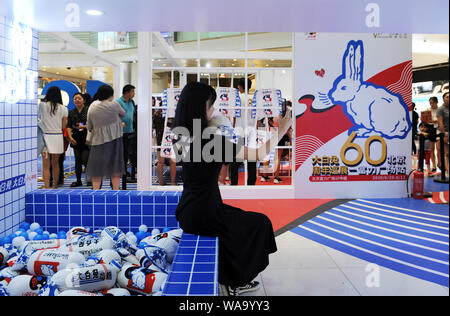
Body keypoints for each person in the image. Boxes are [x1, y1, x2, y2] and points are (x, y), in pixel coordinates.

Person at [172, 82, 292, 296]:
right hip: (205, 213)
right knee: (260, 224)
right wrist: (282, 128)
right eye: (211, 107)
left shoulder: (180, 135)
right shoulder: (211, 142)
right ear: (200, 109)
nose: (214, 111)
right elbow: (259, 154)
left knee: (236, 222)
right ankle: (235, 281)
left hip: (190, 209)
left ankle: (229, 277)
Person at [86, 85, 126, 190]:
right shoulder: (115, 105)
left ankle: (95, 192)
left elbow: (89, 127)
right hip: (115, 141)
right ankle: (116, 192)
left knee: (97, 169)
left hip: (97, 142)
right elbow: (123, 114)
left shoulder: (92, 109)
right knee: (115, 167)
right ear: (111, 95)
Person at [38, 86, 68, 189]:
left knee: (45, 165)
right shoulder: (64, 109)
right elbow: (63, 126)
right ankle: (55, 186)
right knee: (56, 164)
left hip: (45, 137)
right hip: (57, 138)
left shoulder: (42, 105)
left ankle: (46, 186)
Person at [230, 78, 257, 186]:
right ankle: (251, 184)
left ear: (240, 86)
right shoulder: (253, 99)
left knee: (235, 161)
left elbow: (234, 116)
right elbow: (258, 118)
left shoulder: (237, 98)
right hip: (251, 132)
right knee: (251, 160)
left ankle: (234, 184)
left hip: (239, 132)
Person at [67, 93, 90, 187]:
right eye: (75, 98)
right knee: (77, 159)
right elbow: (68, 126)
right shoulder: (71, 112)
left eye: (79, 98)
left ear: (83, 100)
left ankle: (89, 179)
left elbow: (93, 124)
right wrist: (70, 137)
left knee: (85, 160)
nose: (77, 100)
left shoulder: (88, 110)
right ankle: (78, 180)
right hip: (75, 137)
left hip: (87, 136)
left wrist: (83, 126)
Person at [153, 97, 177, 186]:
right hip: (171, 139)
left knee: (160, 162)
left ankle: (160, 182)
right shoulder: (173, 116)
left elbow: (154, 126)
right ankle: (173, 182)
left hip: (160, 139)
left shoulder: (157, 115)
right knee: (172, 162)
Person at [116, 84, 137, 183]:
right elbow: (113, 116)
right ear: (127, 92)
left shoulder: (132, 102)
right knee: (121, 156)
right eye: (132, 91)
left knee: (129, 155)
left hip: (130, 133)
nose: (134, 93)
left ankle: (125, 175)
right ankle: (120, 176)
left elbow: (132, 115)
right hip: (120, 133)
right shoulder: (118, 102)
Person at [436, 92, 449, 176]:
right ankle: (447, 171)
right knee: (446, 153)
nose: (448, 98)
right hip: (443, 132)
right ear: (443, 99)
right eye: (447, 97)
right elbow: (440, 123)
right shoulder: (440, 109)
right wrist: (443, 135)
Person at [427, 97, 439, 174]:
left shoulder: (440, 110)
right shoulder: (428, 110)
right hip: (430, 128)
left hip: (438, 129)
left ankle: (440, 164)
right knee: (431, 148)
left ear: (436, 102)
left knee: (439, 148)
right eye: (430, 103)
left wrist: (436, 120)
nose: (431, 104)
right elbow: (426, 120)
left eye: (433, 103)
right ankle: (434, 166)